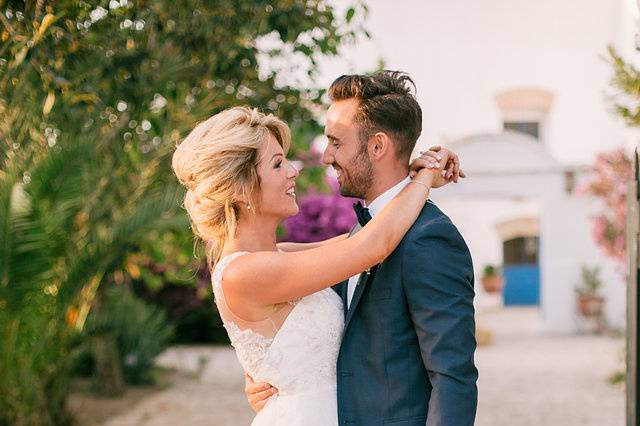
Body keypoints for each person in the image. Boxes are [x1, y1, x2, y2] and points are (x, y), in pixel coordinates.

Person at [172, 103, 460, 425]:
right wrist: (423, 179)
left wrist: (405, 177)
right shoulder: (243, 273)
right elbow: (373, 245)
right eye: (278, 164)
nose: (294, 171)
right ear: (240, 188)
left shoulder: (282, 254)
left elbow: (364, 236)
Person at [245, 71, 478, 425]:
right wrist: (275, 372)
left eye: (336, 142)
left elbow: (453, 376)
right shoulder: (361, 232)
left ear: (378, 146)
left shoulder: (430, 238)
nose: (326, 157)